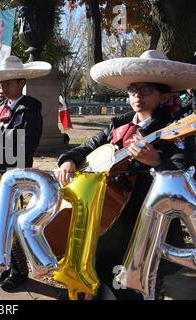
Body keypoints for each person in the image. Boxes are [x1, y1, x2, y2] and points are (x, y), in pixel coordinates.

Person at [57, 50, 196, 300]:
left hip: (144, 226)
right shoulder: (118, 124)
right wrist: (68, 160)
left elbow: (182, 172)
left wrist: (158, 162)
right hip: (106, 217)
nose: (137, 96)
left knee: (139, 287)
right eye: (133, 89)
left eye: (146, 90)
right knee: (100, 276)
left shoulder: (176, 129)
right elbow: (87, 147)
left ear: (164, 96)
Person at [0, 55, 51, 290]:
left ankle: (20, 270)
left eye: (8, 82)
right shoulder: (0, 106)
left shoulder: (30, 109)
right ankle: (4, 264)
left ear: (21, 82)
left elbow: (26, 142)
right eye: (1, 83)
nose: (3, 87)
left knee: (12, 223)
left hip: (16, 175)